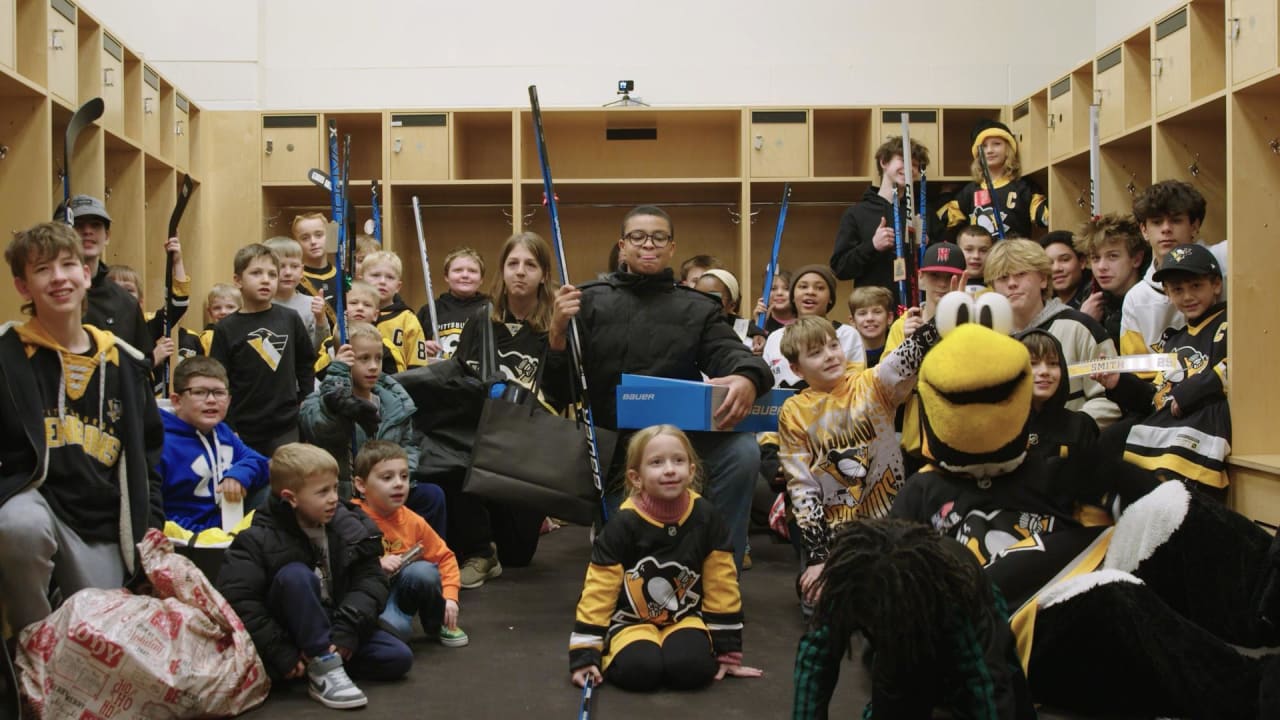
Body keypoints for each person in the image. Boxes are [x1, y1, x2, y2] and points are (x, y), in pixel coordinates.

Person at [549, 205, 772, 569]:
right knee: (636, 571)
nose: (647, 244)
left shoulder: (698, 308)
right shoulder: (587, 301)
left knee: (741, 451)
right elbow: (560, 391)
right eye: (637, 237)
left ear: (671, 247)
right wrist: (557, 332)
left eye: (658, 237)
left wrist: (748, 375)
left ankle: (722, 567)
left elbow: (730, 353)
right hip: (615, 451)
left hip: (681, 442)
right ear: (622, 246)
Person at [0, 221, 164, 631]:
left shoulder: (126, 364)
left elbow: (148, 459)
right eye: (42, 270)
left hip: (99, 524)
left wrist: (151, 534)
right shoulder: (6, 356)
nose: (58, 278)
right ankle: (33, 648)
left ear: (86, 274)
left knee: (103, 635)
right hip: (34, 506)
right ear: (23, 287)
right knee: (18, 527)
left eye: (68, 265)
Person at [217, 443, 412, 710]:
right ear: (291, 497)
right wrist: (281, 652)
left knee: (396, 657)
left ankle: (317, 660)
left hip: (335, 620)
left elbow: (371, 579)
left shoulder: (351, 526)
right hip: (287, 631)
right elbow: (240, 600)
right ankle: (321, 666)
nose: (334, 498)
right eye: (323, 492)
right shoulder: (256, 538)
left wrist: (346, 633)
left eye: (335, 488)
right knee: (297, 576)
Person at [569, 426, 762, 692]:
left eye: (678, 460)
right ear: (636, 478)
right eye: (656, 462)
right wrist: (585, 654)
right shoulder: (622, 524)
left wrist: (727, 652)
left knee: (692, 670)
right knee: (640, 672)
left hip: (684, 617)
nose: (669, 469)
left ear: (692, 471)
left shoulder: (707, 517)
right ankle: (625, 649)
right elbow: (598, 590)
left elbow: (722, 584)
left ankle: (676, 649)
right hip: (631, 621)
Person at [778, 314, 941, 612]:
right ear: (796, 368)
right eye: (816, 353)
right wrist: (818, 557)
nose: (829, 356)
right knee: (818, 604)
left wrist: (944, 316)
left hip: (889, 524)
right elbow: (802, 487)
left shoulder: (872, 383)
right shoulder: (793, 411)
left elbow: (907, 355)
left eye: (833, 346)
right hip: (833, 532)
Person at [794, 519, 1035, 719]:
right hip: (901, 651)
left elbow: (986, 684)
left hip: (966, 607)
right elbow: (815, 659)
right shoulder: (848, 583)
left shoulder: (956, 597)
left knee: (1005, 697)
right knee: (896, 697)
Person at [446, 232, 568, 587]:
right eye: (513, 264)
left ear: (544, 273)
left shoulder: (556, 324)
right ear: (502, 270)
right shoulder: (482, 320)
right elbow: (458, 380)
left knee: (517, 556)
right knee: (451, 463)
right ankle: (480, 550)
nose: (520, 272)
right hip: (483, 435)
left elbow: (565, 393)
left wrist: (559, 339)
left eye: (530, 265)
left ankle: (494, 544)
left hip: (532, 444)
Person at [1096, 243, 1230, 500]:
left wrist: (1193, 391)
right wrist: (1118, 383)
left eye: (1196, 286)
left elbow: (1243, 367)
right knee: (1105, 450)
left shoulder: (1228, 323)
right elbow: (1156, 398)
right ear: (1168, 293)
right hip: (1164, 431)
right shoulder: (1174, 340)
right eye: (1178, 289)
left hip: (1199, 434)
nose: (1187, 296)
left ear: (1216, 285)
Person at [985, 238, 1121, 429]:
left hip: (1070, 450)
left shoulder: (1080, 327)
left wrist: (1072, 430)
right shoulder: (988, 339)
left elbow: (1109, 398)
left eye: (1021, 274)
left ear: (1043, 279)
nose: (1012, 284)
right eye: (1003, 278)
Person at [351, 441, 466, 647]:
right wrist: (377, 564)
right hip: (365, 593)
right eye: (387, 477)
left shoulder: (413, 521)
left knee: (424, 572)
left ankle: (437, 623)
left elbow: (445, 557)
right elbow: (340, 559)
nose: (398, 484)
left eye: (404, 476)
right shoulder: (350, 517)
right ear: (361, 485)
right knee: (395, 634)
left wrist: (450, 597)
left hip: (399, 590)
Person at [210, 243, 315, 458]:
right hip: (243, 427)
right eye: (256, 273)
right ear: (238, 280)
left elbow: (305, 362)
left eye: (272, 274)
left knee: (285, 481)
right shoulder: (225, 328)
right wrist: (229, 425)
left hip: (285, 425)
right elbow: (219, 379)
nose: (266, 279)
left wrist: (306, 397)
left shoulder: (290, 318)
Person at [299, 322, 421, 502]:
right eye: (363, 358)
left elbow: (408, 446)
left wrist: (399, 477)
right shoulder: (317, 403)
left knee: (432, 495)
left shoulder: (395, 402)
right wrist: (336, 384)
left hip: (388, 493)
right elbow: (323, 431)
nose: (373, 366)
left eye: (378, 358)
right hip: (343, 497)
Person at [159, 356, 269, 535]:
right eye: (199, 392)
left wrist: (238, 474)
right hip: (185, 540)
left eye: (219, 393)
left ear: (229, 399)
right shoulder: (160, 442)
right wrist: (203, 537)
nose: (211, 400)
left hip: (227, 532)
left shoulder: (222, 431)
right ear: (177, 401)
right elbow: (152, 510)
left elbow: (263, 463)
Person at [1120, 180, 1228, 362]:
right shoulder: (1136, 299)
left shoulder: (1225, 260)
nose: (1166, 229)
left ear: (1194, 226)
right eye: (1156, 222)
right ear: (1144, 230)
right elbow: (1136, 374)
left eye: (1176, 220)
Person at [830, 136, 931, 308]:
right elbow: (840, 268)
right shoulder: (856, 213)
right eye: (903, 161)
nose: (910, 169)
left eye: (915, 165)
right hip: (872, 312)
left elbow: (937, 267)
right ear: (884, 162)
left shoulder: (923, 212)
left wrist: (928, 246)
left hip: (915, 311)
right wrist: (872, 245)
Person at [67, 194, 155, 359]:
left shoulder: (126, 303)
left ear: (107, 236)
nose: (87, 231)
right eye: (78, 225)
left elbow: (140, 366)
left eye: (95, 225)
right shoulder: (53, 295)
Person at [937, 119, 1049, 239]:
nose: (989, 150)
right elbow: (946, 219)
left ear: (1008, 149)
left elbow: (1044, 218)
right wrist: (946, 193)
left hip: (1015, 254)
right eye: (984, 146)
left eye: (997, 144)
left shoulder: (1024, 187)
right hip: (981, 255)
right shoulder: (970, 191)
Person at [761, 264, 865, 388]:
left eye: (820, 288)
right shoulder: (775, 337)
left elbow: (856, 387)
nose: (810, 292)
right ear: (793, 296)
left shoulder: (848, 334)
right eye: (803, 287)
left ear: (831, 298)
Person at [1018, 330, 1098, 475]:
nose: (1044, 371)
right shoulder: (1001, 428)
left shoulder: (1079, 426)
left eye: (1053, 363)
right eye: (1033, 363)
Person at [1075, 213, 1146, 346]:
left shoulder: (1151, 299)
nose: (1101, 267)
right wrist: (1083, 322)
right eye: (1095, 258)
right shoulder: (1090, 299)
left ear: (1137, 259)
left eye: (1113, 256)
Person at [315, 280, 407, 379]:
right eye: (353, 303)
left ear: (375, 315)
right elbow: (317, 375)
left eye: (367, 305)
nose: (360, 308)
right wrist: (335, 359)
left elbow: (398, 381)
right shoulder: (330, 344)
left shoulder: (386, 346)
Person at [362, 250, 429, 368]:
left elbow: (418, 366)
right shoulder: (352, 315)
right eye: (375, 275)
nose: (382, 281)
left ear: (398, 286)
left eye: (390, 277)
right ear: (361, 280)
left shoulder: (407, 319)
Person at [418, 246, 487, 359]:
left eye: (472, 271)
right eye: (458, 270)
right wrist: (421, 348)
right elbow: (412, 349)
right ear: (446, 276)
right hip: (440, 374)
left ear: (481, 279)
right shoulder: (429, 311)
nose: (465, 275)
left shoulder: (492, 310)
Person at [264, 236, 328, 353]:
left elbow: (318, 350)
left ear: (302, 271)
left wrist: (320, 319)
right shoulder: (259, 303)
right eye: (281, 266)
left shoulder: (312, 305)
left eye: (294, 266)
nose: (288, 272)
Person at [694, 268, 766, 355]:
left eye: (713, 297)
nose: (703, 302)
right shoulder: (683, 328)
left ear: (732, 305)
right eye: (696, 295)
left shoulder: (750, 343)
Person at [292, 212, 339, 327]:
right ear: (297, 243)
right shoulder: (294, 280)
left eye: (319, 235)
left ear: (329, 236)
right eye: (305, 238)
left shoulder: (342, 276)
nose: (313, 242)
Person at [1040, 230, 1092, 310]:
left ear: (1082, 262)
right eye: (1049, 263)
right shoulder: (1040, 300)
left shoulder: (1096, 297)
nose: (1056, 268)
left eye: (1065, 259)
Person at [847, 286, 895, 368]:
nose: (870, 318)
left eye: (877, 312)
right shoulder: (845, 356)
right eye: (862, 313)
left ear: (889, 318)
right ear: (852, 321)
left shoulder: (898, 352)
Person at [198, 283, 241, 355]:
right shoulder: (206, 338)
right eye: (217, 308)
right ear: (210, 312)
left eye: (230, 307)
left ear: (240, 310)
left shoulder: (245, 334)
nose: (223, 312)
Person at [751, 269, 795, 333]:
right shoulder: (753, 325)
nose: (779, 293)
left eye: (786, 289)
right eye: (773, 289)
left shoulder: (804, 322)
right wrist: (759, 325)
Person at [956, 224, 995, 294]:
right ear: (957, 251)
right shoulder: (945, 288)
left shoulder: (1000, 289)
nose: (976, 256)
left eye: (983, 250)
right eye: (969, 249)